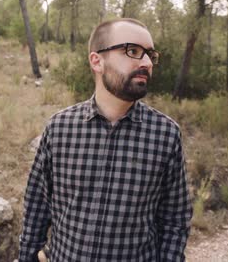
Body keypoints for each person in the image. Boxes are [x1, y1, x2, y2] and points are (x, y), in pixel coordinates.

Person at [18, 18, 192, 262]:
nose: (147, 63)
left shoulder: (165, 135)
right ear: (96, 61)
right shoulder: (59, 128)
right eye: (133, 51)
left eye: (150, 55)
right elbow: (37, 207)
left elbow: (175, 220)